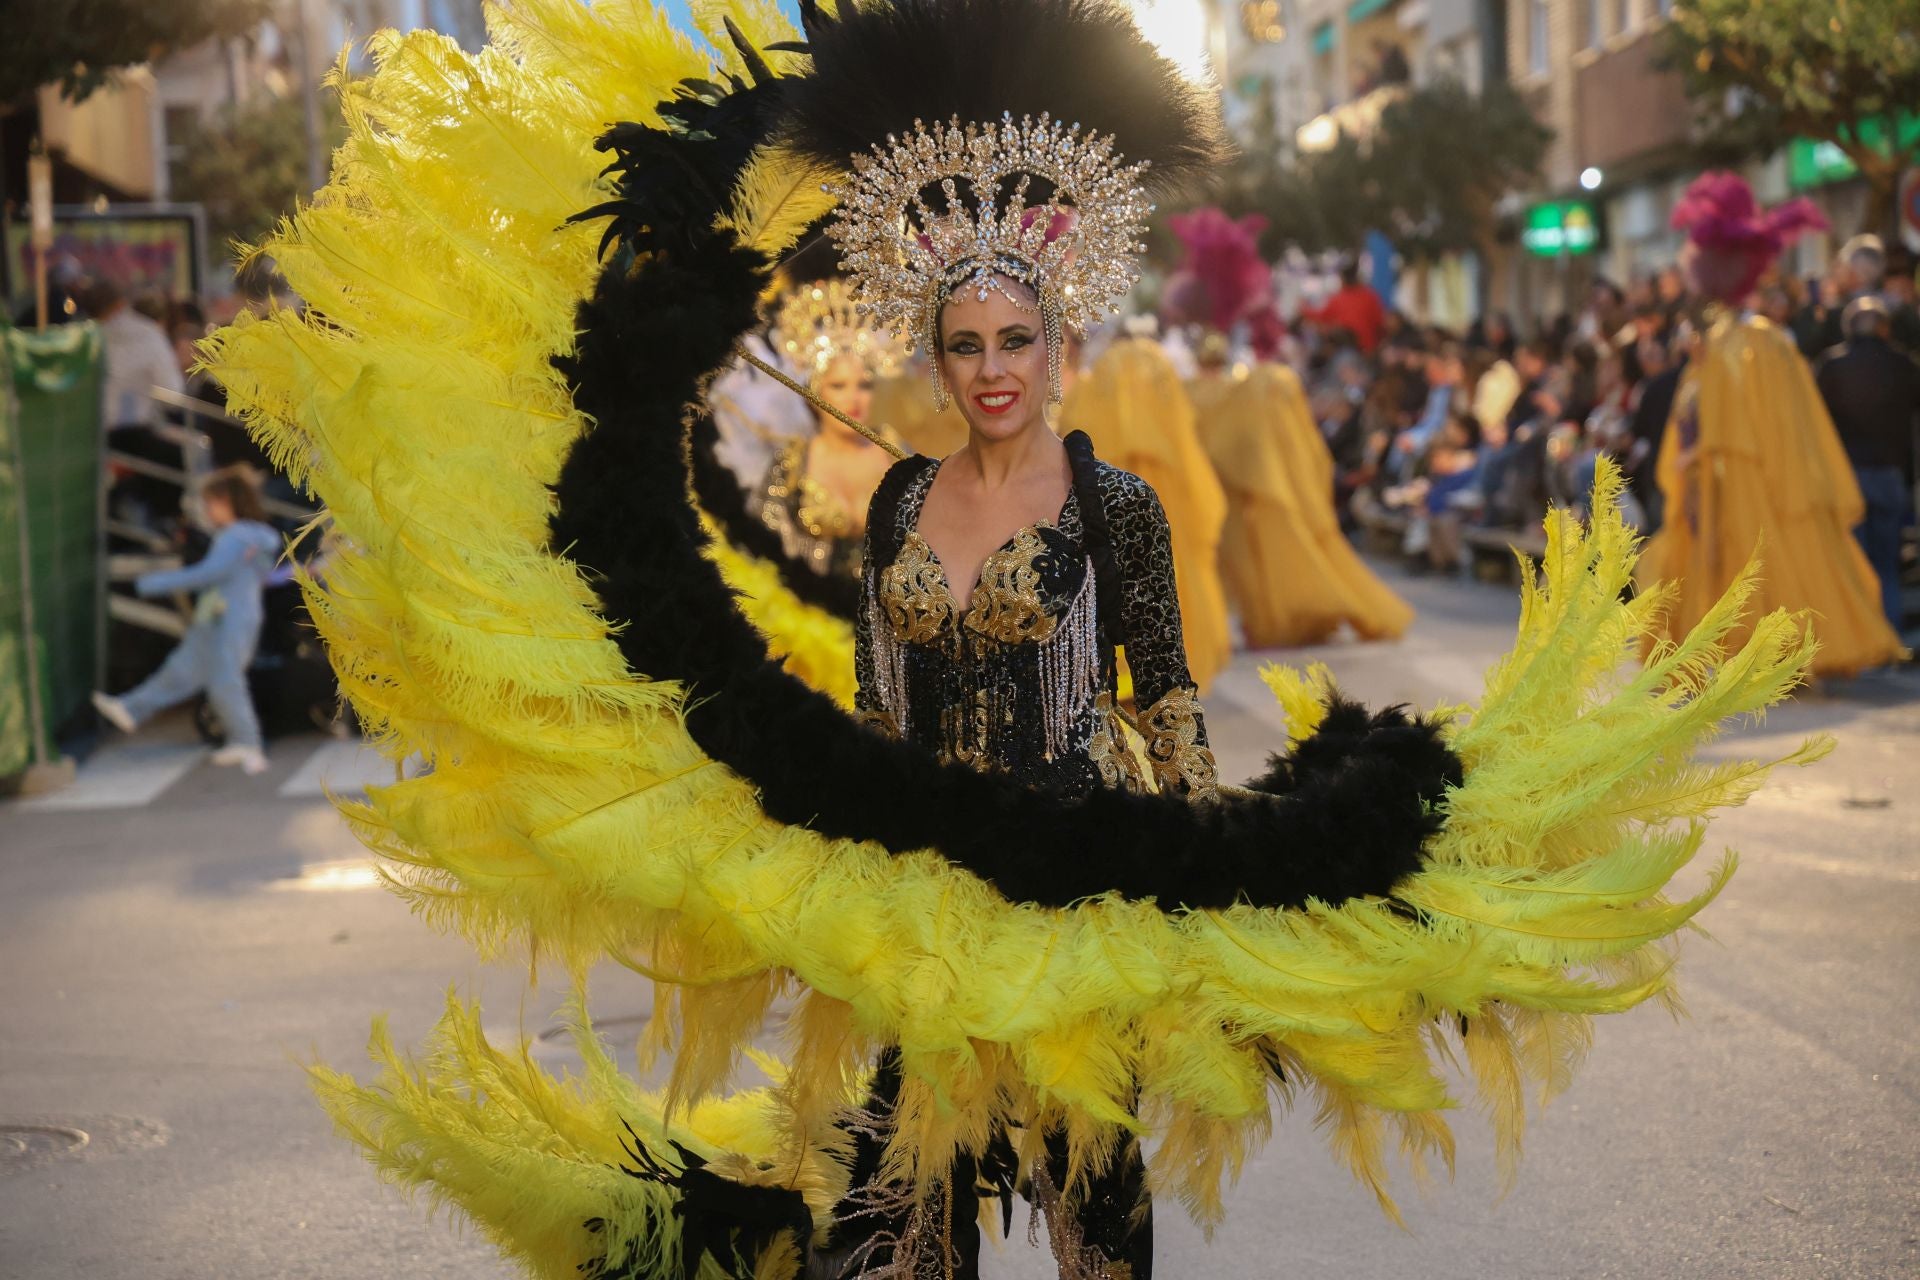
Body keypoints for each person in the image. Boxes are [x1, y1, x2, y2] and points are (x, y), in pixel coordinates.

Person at [1639, 173, 1904, 677]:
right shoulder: (1760, 343)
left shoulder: (1741, 345)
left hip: (1738, 481)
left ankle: (1757, 656)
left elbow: (1714, 419)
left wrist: (1698, 456)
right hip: (1756, 480)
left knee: (1749, 564)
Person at [1059, 330, 1234, 692]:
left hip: (1104, 497)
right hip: (1169, 494)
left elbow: (1070, 434)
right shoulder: (1156, 368)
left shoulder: (1101, 380)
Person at [91, 467, 282, 773]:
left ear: (226, 500)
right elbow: (261, 577)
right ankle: (131, 708)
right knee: (183, 670)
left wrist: (152, 583)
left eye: (210, 503)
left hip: (226, 618)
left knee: (223, 680)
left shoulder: (234, 537)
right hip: (227, 617)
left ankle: (248, 743)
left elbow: (209, 573)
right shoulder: (258, 537)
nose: (207, 511)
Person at [747, 279, 904, 579]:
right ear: (816, 395)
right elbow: (763, 550)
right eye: (838, 386)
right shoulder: (792, 464)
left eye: (864, 385)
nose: (854, 399)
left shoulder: (895, 450)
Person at [1815, 296, 1920, 634]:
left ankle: (1860, 639)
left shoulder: (1832, 366)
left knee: (1852, 565)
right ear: (1884, 328)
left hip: (1847, 476)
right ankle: (1889, 638)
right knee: (1887, 563)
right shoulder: (1904, 365)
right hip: (1890, 473)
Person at [87, 280, 185, 430]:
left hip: (92, 434)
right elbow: (173, 397)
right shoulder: (150, 335)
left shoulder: (84, 340)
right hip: (136, 432)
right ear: (121, 304)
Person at [1303, 259, 1387, 354]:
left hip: (1348, 351)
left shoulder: (1338, 298)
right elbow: (1380, 324)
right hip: (1369, 350)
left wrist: (1304, 308)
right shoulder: (1370, 295)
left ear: (1342, 279)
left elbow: (1321, 316)